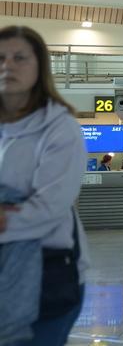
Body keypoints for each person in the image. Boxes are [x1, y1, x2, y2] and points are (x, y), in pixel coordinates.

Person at [0, 25, 89, 345]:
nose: (8, 65)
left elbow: (49, 206)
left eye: (20, 58)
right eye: (1, 57)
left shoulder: (60, 128)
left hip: (46, 277)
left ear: (41, 68)